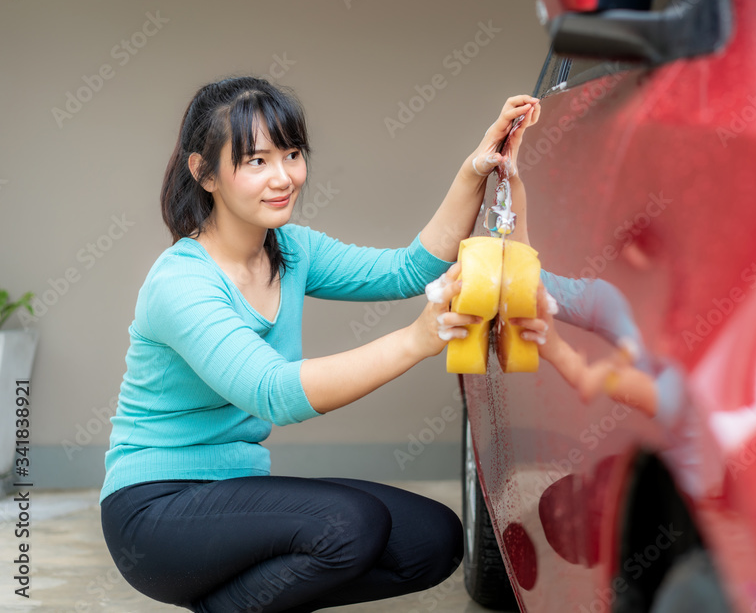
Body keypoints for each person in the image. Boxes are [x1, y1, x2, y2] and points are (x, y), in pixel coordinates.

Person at [99, 75, 541, 613]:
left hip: (235, 495)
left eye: (291, 154)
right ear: (204, 172)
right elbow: (274, 393)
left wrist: (477, 167)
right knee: (348, 526)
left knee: (433, 539)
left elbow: (410, 268)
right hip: (155, 514)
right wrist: (417, 339)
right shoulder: (180, 283)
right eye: (255, 161)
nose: (283, 177)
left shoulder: (290, 250)